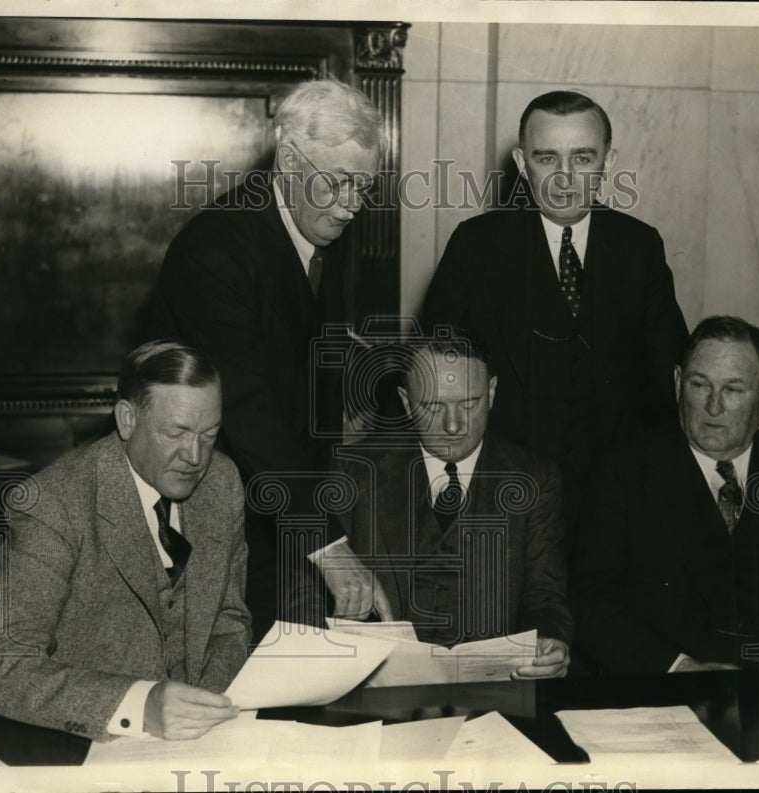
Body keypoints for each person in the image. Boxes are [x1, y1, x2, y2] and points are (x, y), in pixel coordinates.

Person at [146, 78, 391, 639]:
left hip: (282, 507)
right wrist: (327, 543)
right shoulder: (216, 248)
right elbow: (248, 410)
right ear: (288, 157)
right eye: (339, 183)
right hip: (208, 516)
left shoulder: (318, 224)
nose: (352, 207)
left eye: (364, 187)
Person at [421, 90, 689, 531]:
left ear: (608, 161)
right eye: (547, 159)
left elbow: (670, 377)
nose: (565, 179)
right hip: (504, 497)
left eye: (582, 159)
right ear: (522, 164)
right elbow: (433, 372)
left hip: (613, 501)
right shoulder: (477, 245)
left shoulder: (639, 247)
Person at [0, 341, 250, 742]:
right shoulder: (54, 502)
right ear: (127, 420)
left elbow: (228, 623)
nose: (195, 456)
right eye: (177, 432)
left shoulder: (221, 482)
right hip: (84, 747)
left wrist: (207, 703)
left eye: (210, 434)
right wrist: (140, 705)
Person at [573, 316, 759, 675]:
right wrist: (680, 668)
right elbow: (592, 602)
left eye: (733, 390)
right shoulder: (621, 472)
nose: (713, 407)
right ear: (678, 383)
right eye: (700, 385)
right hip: (663, 692)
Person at [301, 329, 573, 678]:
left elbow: (545, 597)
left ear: (491, 393)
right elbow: (306, 598)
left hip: (493, 698)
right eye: (433, 406)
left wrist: (551, 642)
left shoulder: (536, 478)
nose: (454, 425)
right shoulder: (353, 470)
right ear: (405, 400)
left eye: (469, 404)